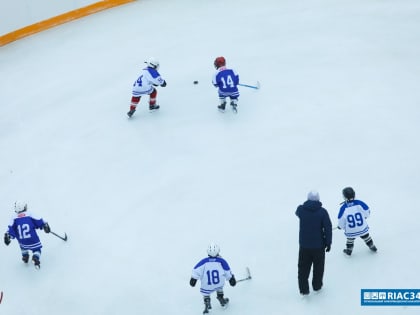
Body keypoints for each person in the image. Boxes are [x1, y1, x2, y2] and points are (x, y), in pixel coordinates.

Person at [295, 190, 332, 296]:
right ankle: (317, 286)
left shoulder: (301, 210)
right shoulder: (322, 212)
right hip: (319, 246)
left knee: (303, 268)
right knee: (318, 267)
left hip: (304, 246)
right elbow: (328, 228)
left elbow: (297, 212)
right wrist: (328, 242)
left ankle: (304, 290)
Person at [190, 243, 236, 314]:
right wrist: (231, 279)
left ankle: (207, 303)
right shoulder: (222, 261)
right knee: (219, 287)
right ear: (218, 251)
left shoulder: (204, 261)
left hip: (207, 285)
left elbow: (196, 270)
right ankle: (221, 299)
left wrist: (193, 279)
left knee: (206, 292)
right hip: (218, 283)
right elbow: (227, 271)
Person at [4, 201, 51, 268]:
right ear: (24, 207)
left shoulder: (14, 218)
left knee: (23, 247)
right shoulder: (30, 214)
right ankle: (35, 258)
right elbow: (38, 221)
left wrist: (9, 236)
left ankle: (25, 257)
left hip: (22, 241)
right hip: (33, 239)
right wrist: (44, 225)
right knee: (37, 250)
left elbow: (11, 229)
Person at [338, 187, 378, 256]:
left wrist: (341, 226)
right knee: (366, 237)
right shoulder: (359, 203)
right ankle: (372, 246)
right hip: (362, 228)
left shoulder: (343, 208)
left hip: (351, 230)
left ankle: (349, 250)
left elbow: (341, 219)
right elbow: (367, 211)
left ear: (344, 197)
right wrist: (365, 216)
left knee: (350, 239)